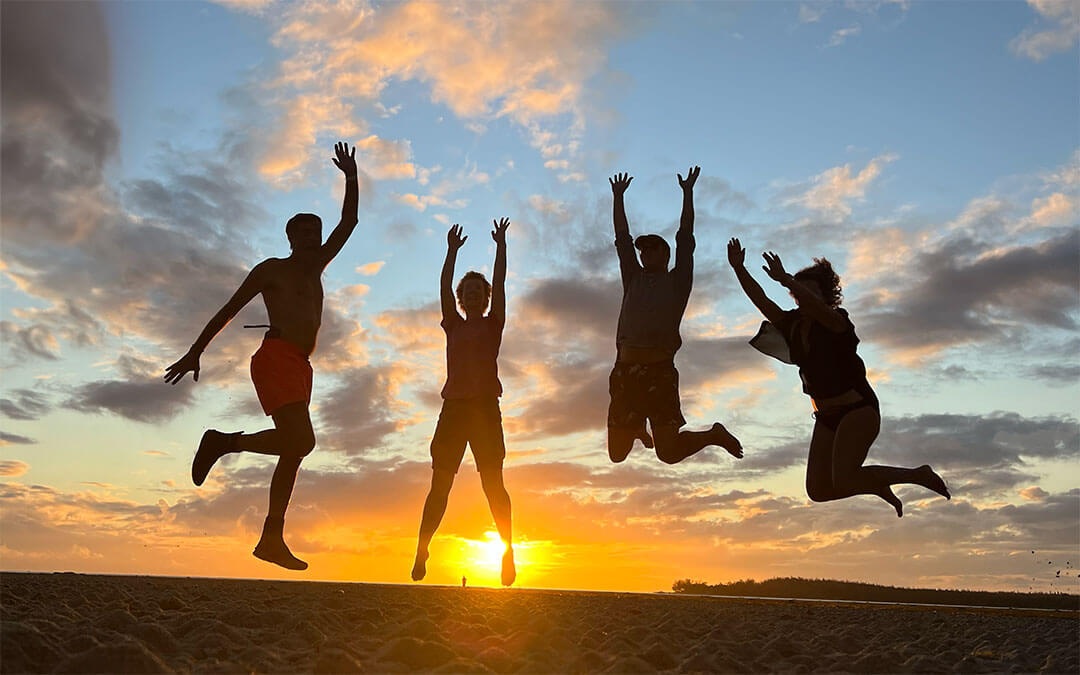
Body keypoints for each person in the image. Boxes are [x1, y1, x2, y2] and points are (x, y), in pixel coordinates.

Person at [163, 142, 359, 569]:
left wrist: (350, 176)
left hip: (301, 366)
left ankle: (271, 538)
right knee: (302, 441)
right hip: (275, 357)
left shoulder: (318, 265)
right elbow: (228, 311)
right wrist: (195, 352)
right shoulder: (272, 269)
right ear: (290, 238)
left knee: (293, 450)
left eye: (315, 233)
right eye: (302, 233)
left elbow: (349, 222)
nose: (311, 239)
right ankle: (223, 442)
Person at [726, 237, 950, 516]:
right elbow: (761, 301)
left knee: (844, 478)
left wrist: (786, 279)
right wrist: (738, 269)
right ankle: (876, 484)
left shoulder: (837, 321)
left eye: (810, 292)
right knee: (818, 491)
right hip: (826, 416)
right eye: (799, 294)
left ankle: (918, 475)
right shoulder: (793, 324)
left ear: (825, 296)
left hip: (858, 409)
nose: (802, 297)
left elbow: (819, 310)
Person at [607, 168, 743, 465]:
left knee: (667, 453)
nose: (646, 254)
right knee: (616, 455)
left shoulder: (678, 281)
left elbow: (685, 237)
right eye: (644, 250)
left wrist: (688, 193)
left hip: (659, 370)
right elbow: (622, 239)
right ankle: (636, 428)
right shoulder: (633, 277)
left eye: (654, 249)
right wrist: (618, 197)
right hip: (626, 369)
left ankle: (713, 435)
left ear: (666, 255)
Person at [412, 219, 516, 586]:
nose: (473, 295)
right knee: (440, 485)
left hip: (486, 410)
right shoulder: (453, 325)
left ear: (486, 299)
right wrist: (451, 252)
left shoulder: (493, 324)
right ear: (461, 299)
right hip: (454, 411)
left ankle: (507, 550)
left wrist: (501, 245)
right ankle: (422, 549)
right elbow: (443, 286)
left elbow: (501, 282)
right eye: (467, 291)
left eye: (478, 291)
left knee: (493, 485)